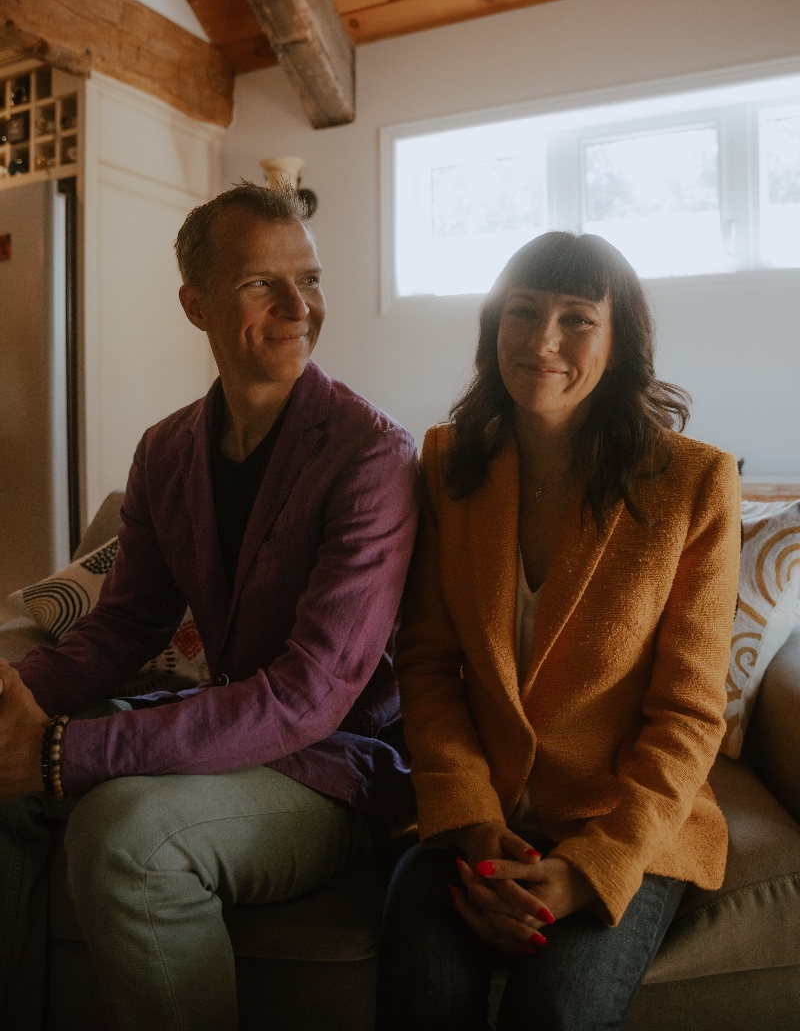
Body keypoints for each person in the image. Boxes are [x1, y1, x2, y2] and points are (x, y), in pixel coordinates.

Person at [0, 181, 419, 1031]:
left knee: (125, 839)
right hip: (214, 731)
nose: (299, 306)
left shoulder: (373, 458)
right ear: (196, 305)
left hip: (329, 767)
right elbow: (123, 625)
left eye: (310, 276)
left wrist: (61, 755)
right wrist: (18, 694)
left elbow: (308, 697)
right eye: (262, 283)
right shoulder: (165, 451)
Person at [376, 231, 740, 1031]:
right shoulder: (446, 462)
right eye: (523, 312)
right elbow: (430, 668)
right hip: (480, 815)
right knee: (424, 992)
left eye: (578, 318)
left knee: (556, 1010)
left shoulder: (695, 481)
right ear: (492, 325)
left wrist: (588, 870)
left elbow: (688, 714)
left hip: (622, 825)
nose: (544, 340)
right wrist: (474, 822)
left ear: (620, 342)